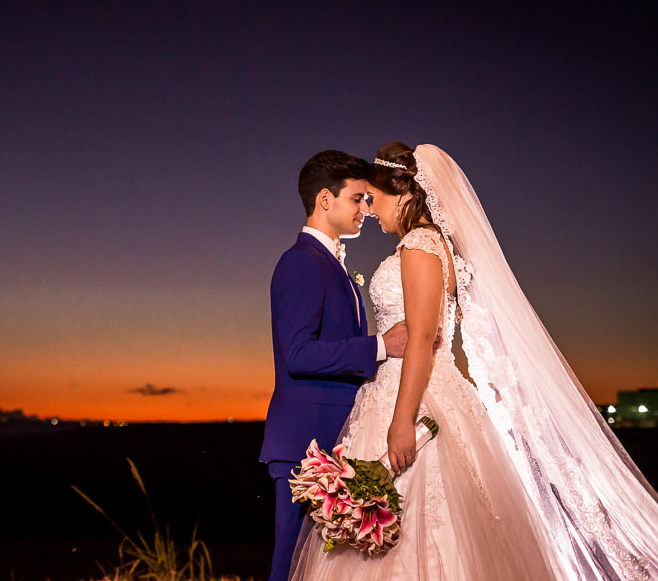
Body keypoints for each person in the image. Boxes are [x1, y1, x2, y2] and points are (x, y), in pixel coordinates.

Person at [289, 143, 658, 580]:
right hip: (420, 388)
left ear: (404, 195)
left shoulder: (419, 246)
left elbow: (424, 338)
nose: (370, 210)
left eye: (374, 197)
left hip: (412, 396)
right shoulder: (436, 245)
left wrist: (403, 419)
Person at [260, 150, 411, 581]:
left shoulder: (333, 264)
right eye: (357, 199)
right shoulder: (301, 262)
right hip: (304, 447)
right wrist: (381, 345)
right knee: (289, 569)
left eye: (367, 200)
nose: (366, 208)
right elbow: (299, 353)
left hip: (331, 443)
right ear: (325, 200)